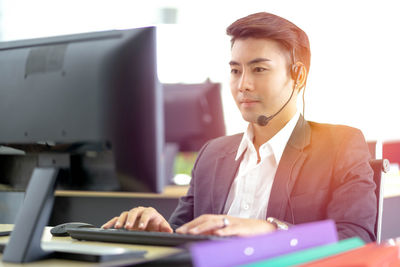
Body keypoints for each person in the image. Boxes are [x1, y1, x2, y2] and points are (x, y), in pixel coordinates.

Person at [103, 12, 376, 242]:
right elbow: (183, 234)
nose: (243, 84)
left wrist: (271, 230)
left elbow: (356, 237)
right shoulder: (212, 153)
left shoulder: (341, 145)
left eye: (259, 70)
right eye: (235, 70)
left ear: (298, 75)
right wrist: (159, 230)